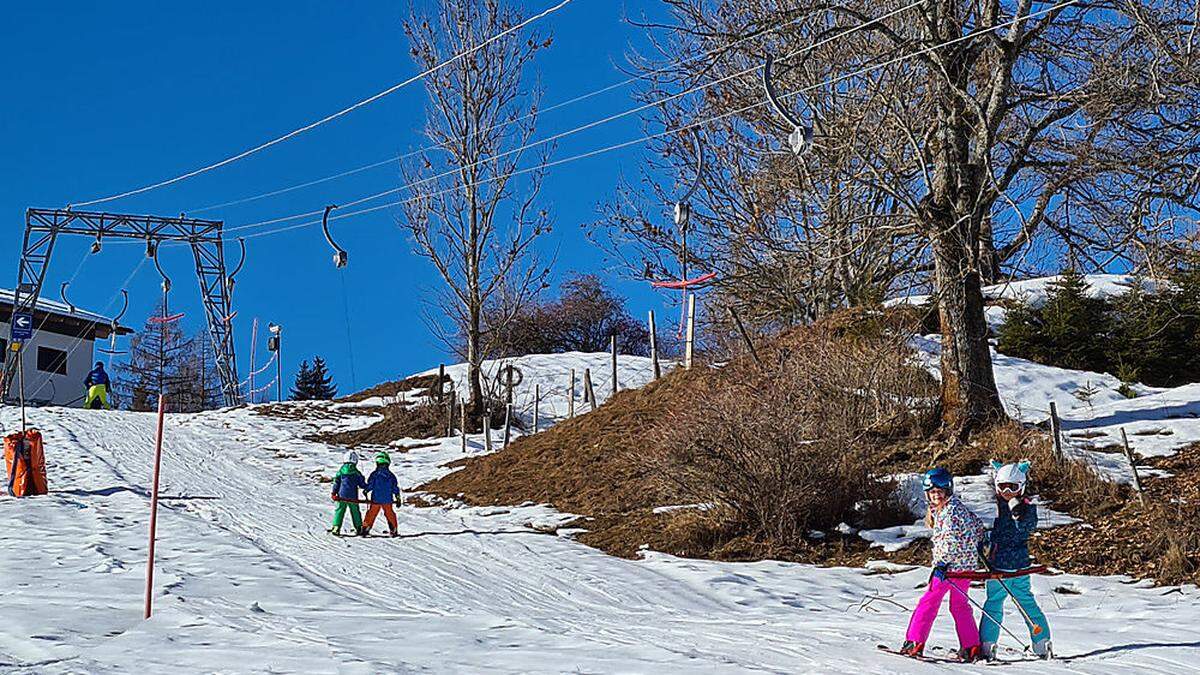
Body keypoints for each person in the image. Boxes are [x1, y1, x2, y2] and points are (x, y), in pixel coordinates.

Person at [901, 467, 987, 662]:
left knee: (928, 602)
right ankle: (970, 646)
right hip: (965, 567)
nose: (936, 496)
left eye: (939, 492)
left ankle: (915, 642)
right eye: (932, 493)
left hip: (949, 569)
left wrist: (942, 564)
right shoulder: (957, 507)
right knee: (959, 605)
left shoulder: (950, 511)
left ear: (948, 490)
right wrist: (979, 545)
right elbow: (978, 526)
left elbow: (950, 540)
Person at [979, 459, 1052, 660]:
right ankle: (987, 643)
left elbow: (1028, 528)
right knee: (993, 603)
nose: (1008, 491)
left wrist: (1019, 513)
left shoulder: (1026, 507)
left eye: (1013, 487)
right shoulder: (996, 507)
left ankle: (1041, 641)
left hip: (1018, 565)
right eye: (1003, 487)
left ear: (1021, 487)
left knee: (1026, 603)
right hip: (997, 566)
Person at [362, 451, 401, 537]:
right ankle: (393, 529)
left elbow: (370, 485)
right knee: (389, 513)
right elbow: (395, 488)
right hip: (387, 500)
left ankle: (366, 528)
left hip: (376, 499)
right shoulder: (391, 476)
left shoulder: (374, 474)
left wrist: (366, 490)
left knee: (371, 513)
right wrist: (398, 498)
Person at [329, 451, 368, 536]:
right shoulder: (357, 473)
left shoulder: (341, 471)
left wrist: (334, 492)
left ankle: (336, 527)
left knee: (339, 511)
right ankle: (358, 527)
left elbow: (337, 483)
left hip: (341, 496)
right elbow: (362, 485)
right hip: (353, 497)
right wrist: (366, 485)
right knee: (355, 511)